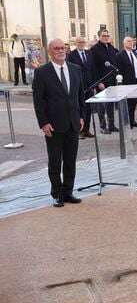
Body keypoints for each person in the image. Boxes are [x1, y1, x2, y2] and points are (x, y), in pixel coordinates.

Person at [32, 39, 85, 208]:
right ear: (50, 52)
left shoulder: (76, 69)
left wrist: (82, 117)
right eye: (56, 48)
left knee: (70, 160)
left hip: (73, 123)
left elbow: (80, 96)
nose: (61, 50)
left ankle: (68, 192)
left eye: (63, 48)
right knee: (55, 161)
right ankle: (57, 194)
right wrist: (44, 123)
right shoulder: (42, 72)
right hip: (53, 125)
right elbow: (38, 101)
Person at [90, 29, 119, 133]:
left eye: (107, 35)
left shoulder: (112, 48)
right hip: (101, 81)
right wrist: (98, 82)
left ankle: (111, 125)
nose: (106, 37)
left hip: (112, 81)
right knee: (101, 104)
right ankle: (103, 126)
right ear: (99, 37)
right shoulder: (94, 49)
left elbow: (115, 65)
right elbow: (93, 68)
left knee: (111, 104)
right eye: (103, 36)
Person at [67, 37, 95, 138]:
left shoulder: (89, 53)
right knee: (79, 109)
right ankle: (79, 131)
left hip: (89, 86)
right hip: (78, 86)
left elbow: (92, 69)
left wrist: (93, 84)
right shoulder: (71, 55)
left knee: (88, 109)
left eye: (83, 42)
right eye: (79, 42)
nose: (82, 44)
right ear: (76, 43)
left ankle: (86, 130)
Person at [115, 36, 137, 128]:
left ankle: (132, 121)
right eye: (128, 41)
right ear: (124, 43)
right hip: (126, 82)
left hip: (136, 81)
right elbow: (119, 70)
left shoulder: (135, 54)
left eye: (132, 41)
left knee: (133, 103)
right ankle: (126, 122)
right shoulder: (120, 55)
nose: (131, 43)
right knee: (127, 104)